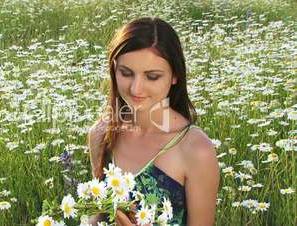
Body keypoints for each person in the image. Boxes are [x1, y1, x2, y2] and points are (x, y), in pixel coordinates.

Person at [87, 17, 220, 226]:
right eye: (126, 73)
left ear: (175, 75)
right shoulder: (101, 135)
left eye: (152, 76)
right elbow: (96, 214)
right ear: (114, 69)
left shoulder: (195, 149)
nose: (136, 89)